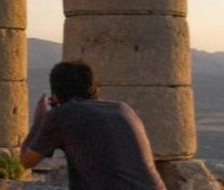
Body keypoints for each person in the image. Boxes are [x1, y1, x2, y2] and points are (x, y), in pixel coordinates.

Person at [20, 60, 166, 190]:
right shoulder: (123, 108)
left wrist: (39, 121)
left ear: (56, 95)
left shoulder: (62, 115)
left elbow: (27, 161)